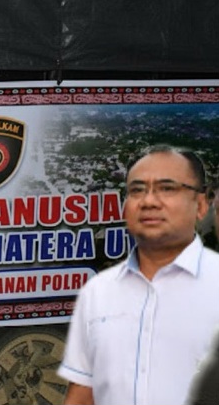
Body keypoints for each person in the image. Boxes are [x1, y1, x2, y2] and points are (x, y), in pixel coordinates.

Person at [58, 144, 219, 405]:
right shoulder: (97, 293)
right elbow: (82, 395)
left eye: (168, 189)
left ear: (201, 205)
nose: (149, 202)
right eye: (137, 190)